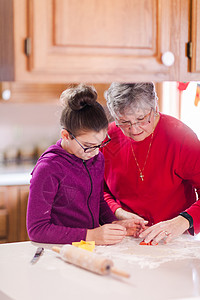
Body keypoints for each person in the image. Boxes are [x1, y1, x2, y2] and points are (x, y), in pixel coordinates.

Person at [26, 84, 146, 245]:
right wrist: (91, 236)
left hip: (86, 248)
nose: (96, 152)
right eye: (88, 146)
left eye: (100, 144)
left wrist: (114, 224)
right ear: (66, 135)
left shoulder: (96, 159)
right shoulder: (48, 168)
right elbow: (37, 230)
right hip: (57, 252)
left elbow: (98, 201)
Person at [101, 82, 200, 245]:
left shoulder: (182, 137)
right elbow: (99, 190)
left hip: (175, 239)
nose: (134, 130)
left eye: (141, 119)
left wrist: (182, 222)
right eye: (124, 122)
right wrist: (119, 213)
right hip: (124, 237)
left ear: (155, 106)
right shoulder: (108, 137)